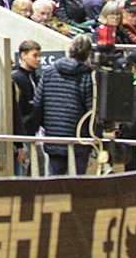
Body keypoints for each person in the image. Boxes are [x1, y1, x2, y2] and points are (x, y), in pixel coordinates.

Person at [33, 34, 97, 175]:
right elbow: (91, 111)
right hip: (80, 140)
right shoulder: (88, 77)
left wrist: (45, 127)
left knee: (55, 186)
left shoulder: (48, 72)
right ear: (88, 54)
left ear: (69, 50)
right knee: (77, 186)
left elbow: (38, 104)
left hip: (54, 137)